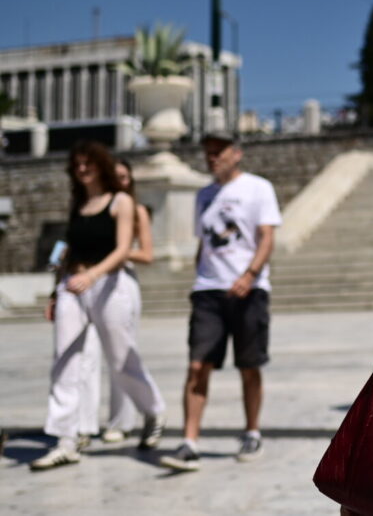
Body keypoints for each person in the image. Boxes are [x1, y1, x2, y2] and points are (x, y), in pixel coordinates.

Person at [31, 141, 166, 471]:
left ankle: (152, 410)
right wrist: (56, 291)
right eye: (76, 164)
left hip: (108, 283)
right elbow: (68, 252)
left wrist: (93, 275)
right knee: (65, 360)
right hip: (72, 286)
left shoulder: (121, 201)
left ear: (100, 165)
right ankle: (65, 439)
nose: (82, 169)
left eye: (87, 163)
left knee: (120, 358)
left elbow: (123, 249)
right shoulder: (78, 203)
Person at [160, 131, 282, 471]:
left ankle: (252, 431)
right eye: (208, 152)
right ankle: (189, 441)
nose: (213, 157)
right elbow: (205, 242)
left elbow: (267, 237)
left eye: (219, 151)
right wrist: (199, 277)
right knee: (197, 364)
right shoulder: (204, 195)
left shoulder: (259, 188)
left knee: (249, 365)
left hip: (248, 289)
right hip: (208, 291)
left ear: (237, 153)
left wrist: (249, 275)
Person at [78, 159, 156, 444]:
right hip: (88, 281)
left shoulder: (135, 210)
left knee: (120, 351)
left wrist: (116, 250)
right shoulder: (93, 206)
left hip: (119, 280)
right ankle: (82, 423)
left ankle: (121, 420)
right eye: (115, 176)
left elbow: (147, 254)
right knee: (85, 355)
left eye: (125, 177)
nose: (120, 181)